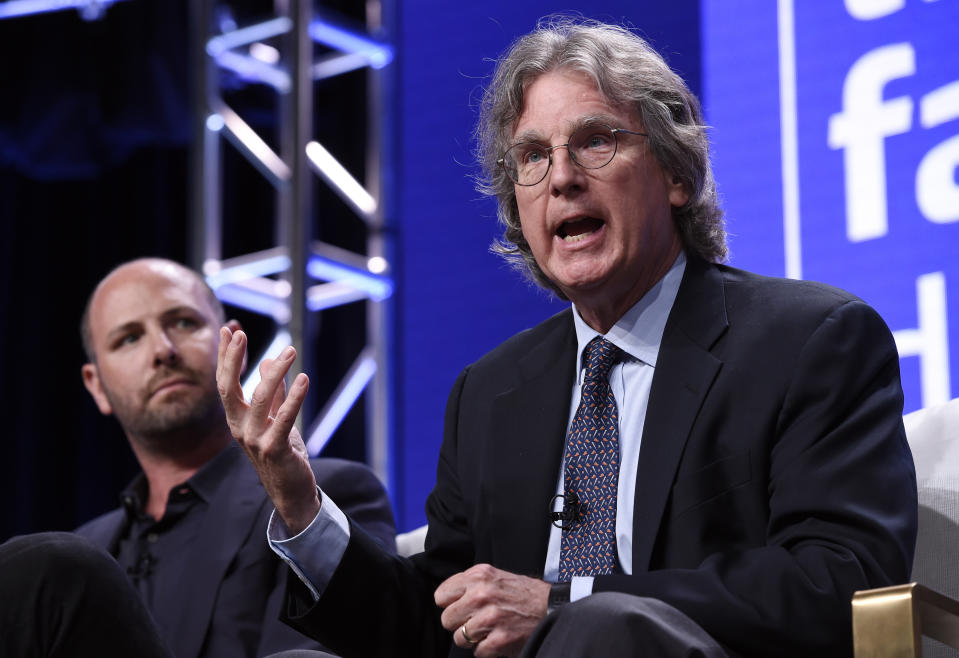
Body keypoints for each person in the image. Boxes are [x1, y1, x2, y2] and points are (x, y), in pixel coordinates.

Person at [215, 16, 918, 658]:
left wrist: (565, 604)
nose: (562, 180)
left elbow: (840, 578)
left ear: (675, 173)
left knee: (598, 630)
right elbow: (434, 622)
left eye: (596, 141)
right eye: (532, 157)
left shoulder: (807, 341)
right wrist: (301, 506)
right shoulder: (491, 392)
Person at [75, 257, 396, 658]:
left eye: (184, 322)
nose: (163, 350)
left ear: (234, 348)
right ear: (96, 385)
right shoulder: (78, 560)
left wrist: (299, 504)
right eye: (129, 339)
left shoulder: (319, 501)